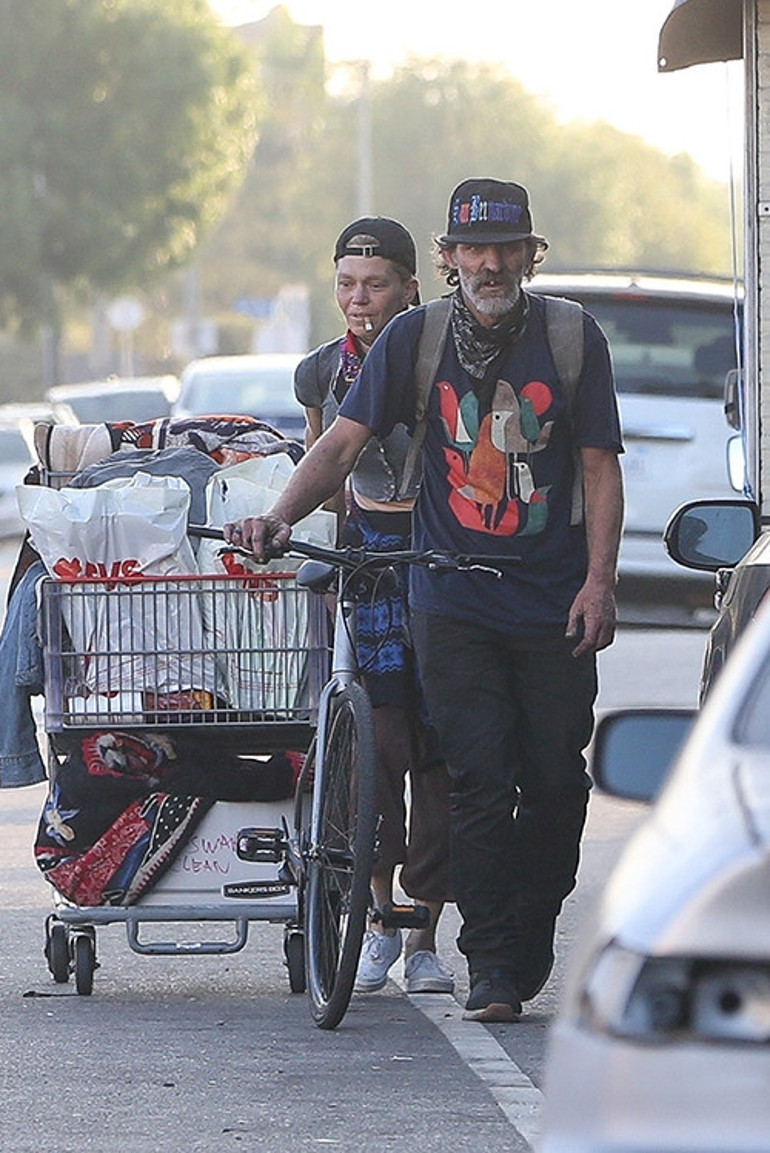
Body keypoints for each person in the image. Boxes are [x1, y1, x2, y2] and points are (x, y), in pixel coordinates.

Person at [225, 178, 624, 1023]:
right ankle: (491, 967)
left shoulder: (570, 337)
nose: (490, 265)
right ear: (448, 260)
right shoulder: (415, 337)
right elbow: (340, 446)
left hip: (553, 602)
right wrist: (277, 513)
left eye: (505, 249)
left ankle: (526, 929)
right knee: (478, 775)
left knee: (554, 779)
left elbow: (598, 467)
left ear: (528, 255)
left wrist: (599, 580)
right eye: (473, 250)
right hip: (451, 596)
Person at [293, 215, 455, 996]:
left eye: (377, 284)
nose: (361, 300)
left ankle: (426, 931)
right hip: (368, 566)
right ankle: (378, 916)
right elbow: (327, 463)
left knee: (443, 747)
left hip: (442, 559)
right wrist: (312, 557)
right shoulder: (319, 370)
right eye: (348, 285)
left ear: (410, 287)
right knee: (378, 742)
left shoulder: (438, 355)